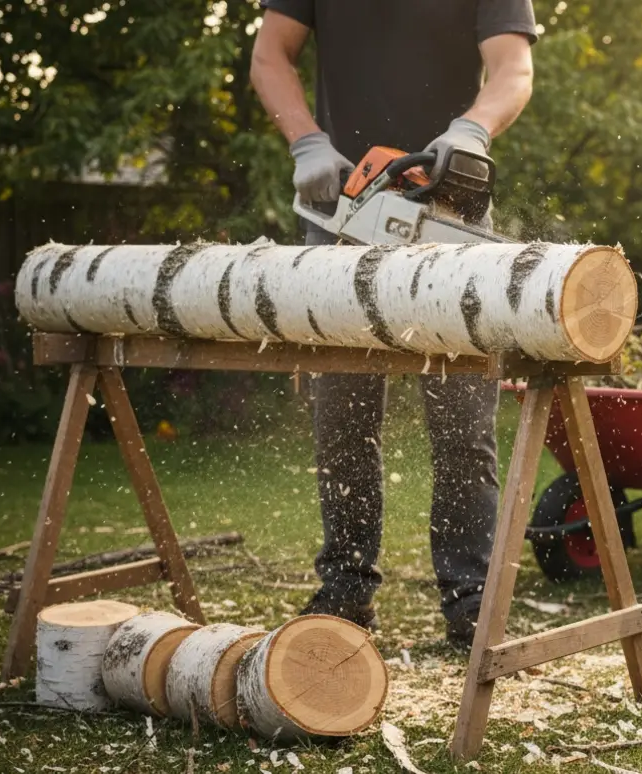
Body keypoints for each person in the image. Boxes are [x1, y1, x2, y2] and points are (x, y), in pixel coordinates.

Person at [249, 1, 537, 648]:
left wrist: (471, 130)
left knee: (463, 424)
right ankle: (346, 593)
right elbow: (270, 54)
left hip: (450, 207)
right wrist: (305, 138)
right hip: (340, 203)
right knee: (342, 420)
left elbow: (513, 68)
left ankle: (471, 603)